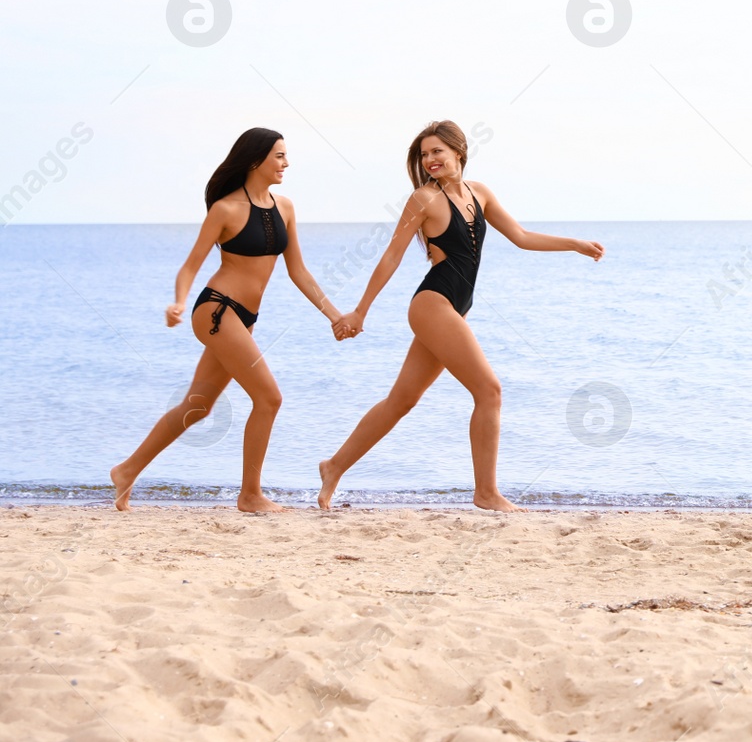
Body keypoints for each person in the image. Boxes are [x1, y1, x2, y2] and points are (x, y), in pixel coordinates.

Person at [317, 120, 603, 512]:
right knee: (490, 390)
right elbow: (392, 255)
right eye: (424, 154)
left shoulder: (480, 193)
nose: (430, 159)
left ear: (459, 152)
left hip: (455, 308)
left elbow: (520, 236)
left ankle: (333, 467)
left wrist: (574, 244)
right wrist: (361, 310)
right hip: (432, 303)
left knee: (401, 400)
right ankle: (486, 493)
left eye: (437, 151)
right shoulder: (422, 199)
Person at [111, 128, 350, 512]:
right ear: (255, 160)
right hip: (217, 310)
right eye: (279, 156)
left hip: (245, 317)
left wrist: (334, 315)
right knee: (269, 398)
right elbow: (190, 267)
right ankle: (250, 495)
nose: (286, 163)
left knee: (198, 405)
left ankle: (127, 471)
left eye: (286, 156)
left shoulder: (285, 207)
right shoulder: (225, 210)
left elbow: (299, 272)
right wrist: (178, 302)